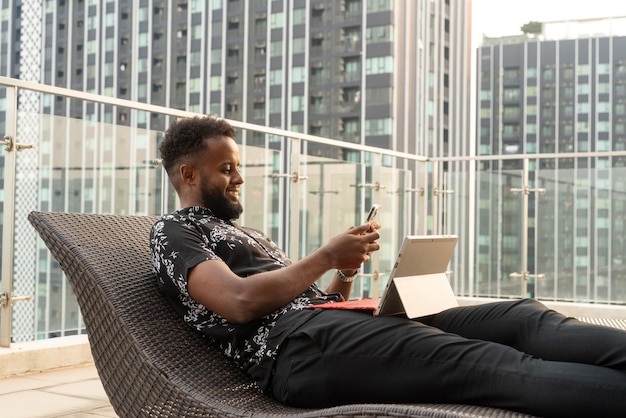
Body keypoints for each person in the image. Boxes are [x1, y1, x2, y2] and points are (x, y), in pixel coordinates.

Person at [150, 115, 626, 418]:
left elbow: (314, 297)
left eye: (237, 166)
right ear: (188, 174)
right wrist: (324, 256)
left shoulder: (250, 235)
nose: (239, 177)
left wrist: (346, 269)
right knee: (492, 364)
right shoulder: (173, 233)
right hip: (294, 351)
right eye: (226, 168)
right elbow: (239, 302)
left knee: (522, 318)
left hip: (331, 324)